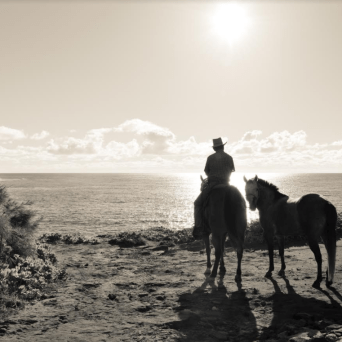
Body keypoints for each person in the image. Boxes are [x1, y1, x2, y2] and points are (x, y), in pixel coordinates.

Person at [193, 137, 235, 234]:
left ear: (214, 148)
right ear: (223, 147)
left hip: (213, 185)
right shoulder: (229, 157)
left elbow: (207, 172)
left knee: (197, 203)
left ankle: (199, 226)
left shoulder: (210, 158)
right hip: (227, 184)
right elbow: (231, 170)